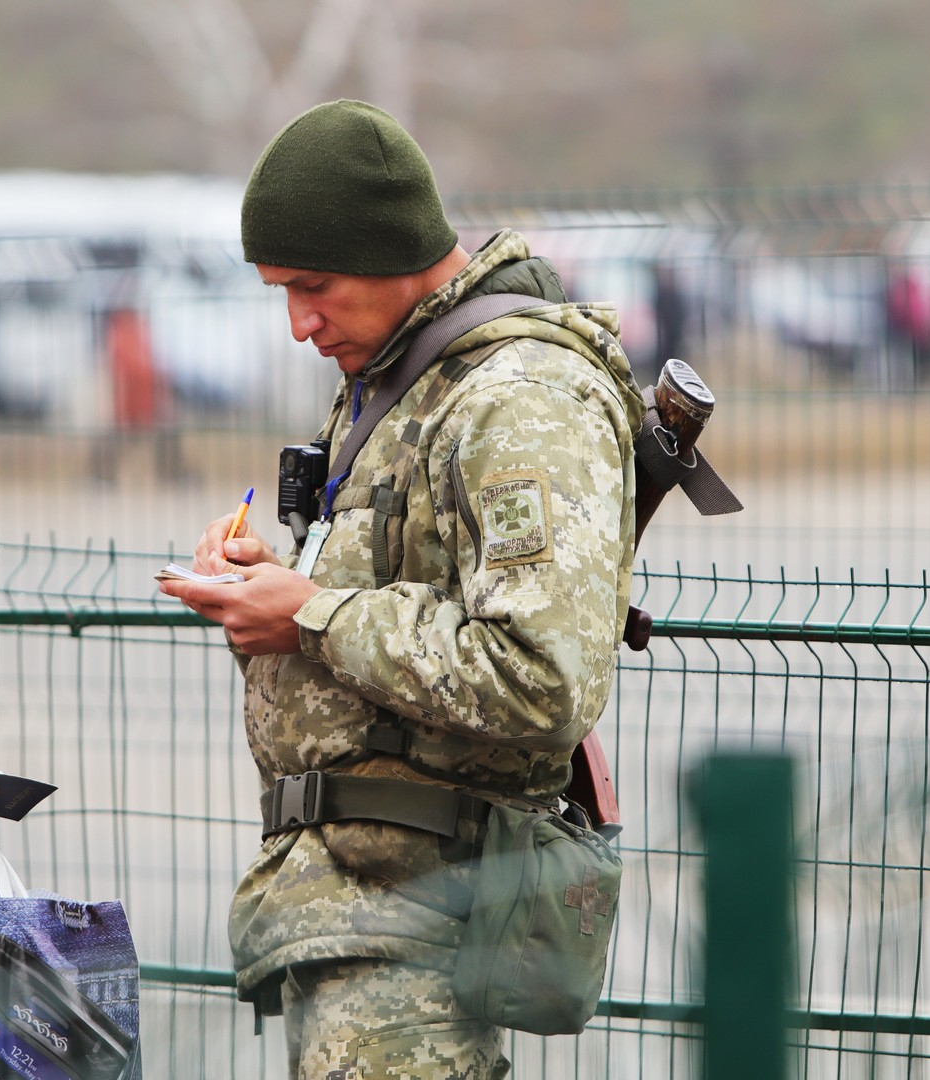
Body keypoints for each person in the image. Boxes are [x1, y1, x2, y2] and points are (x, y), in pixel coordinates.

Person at [158, 100, 644, 1077]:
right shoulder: (404, 375)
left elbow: (541, 678)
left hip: (428, 914)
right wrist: (276, 593)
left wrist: (309, 612)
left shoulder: (519, 396)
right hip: (359, 902)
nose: (298, 324)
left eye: (313, 286)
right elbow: (391, 591)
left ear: (391, 254)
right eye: (280, 292)